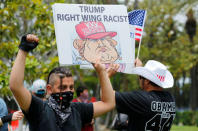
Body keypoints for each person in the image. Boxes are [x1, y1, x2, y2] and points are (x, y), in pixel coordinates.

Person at [9, 34, 115, 130]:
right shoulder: (39, 108)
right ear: (49, 89)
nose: (68, 91)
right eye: (62, 87)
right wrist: (23, 50)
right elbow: (15, 86)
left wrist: (102, 72)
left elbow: (108, 103)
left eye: (71, 87)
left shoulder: (78, 110)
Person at [113, 59, 176, 131]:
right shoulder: (170, 99)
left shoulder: (142, 100)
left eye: (141, 77)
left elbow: (107, 97)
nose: (139, 79)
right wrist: (142, 73)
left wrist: (105, 75)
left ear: (146, 81)